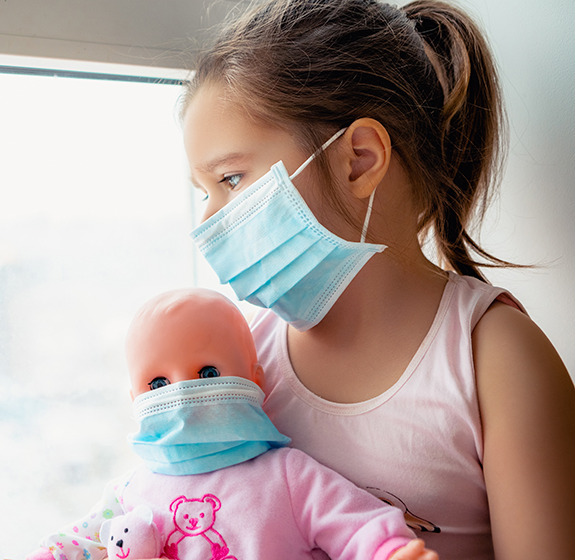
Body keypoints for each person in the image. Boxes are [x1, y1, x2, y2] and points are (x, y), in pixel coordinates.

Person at [178, 1, 575, 559]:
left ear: (358, 160)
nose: (210, 219)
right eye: (205, 192)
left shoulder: (497, 358)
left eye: (231, 179)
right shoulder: (247, 357)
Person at [24, 288, 439, 560]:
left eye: (206, 373)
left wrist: (389, 551)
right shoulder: (127, 492)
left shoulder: (287, 476)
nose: (183, 392)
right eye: (158, 383)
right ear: (136, 401)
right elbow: (81, 543)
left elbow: (354, 524)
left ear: (255, 379)